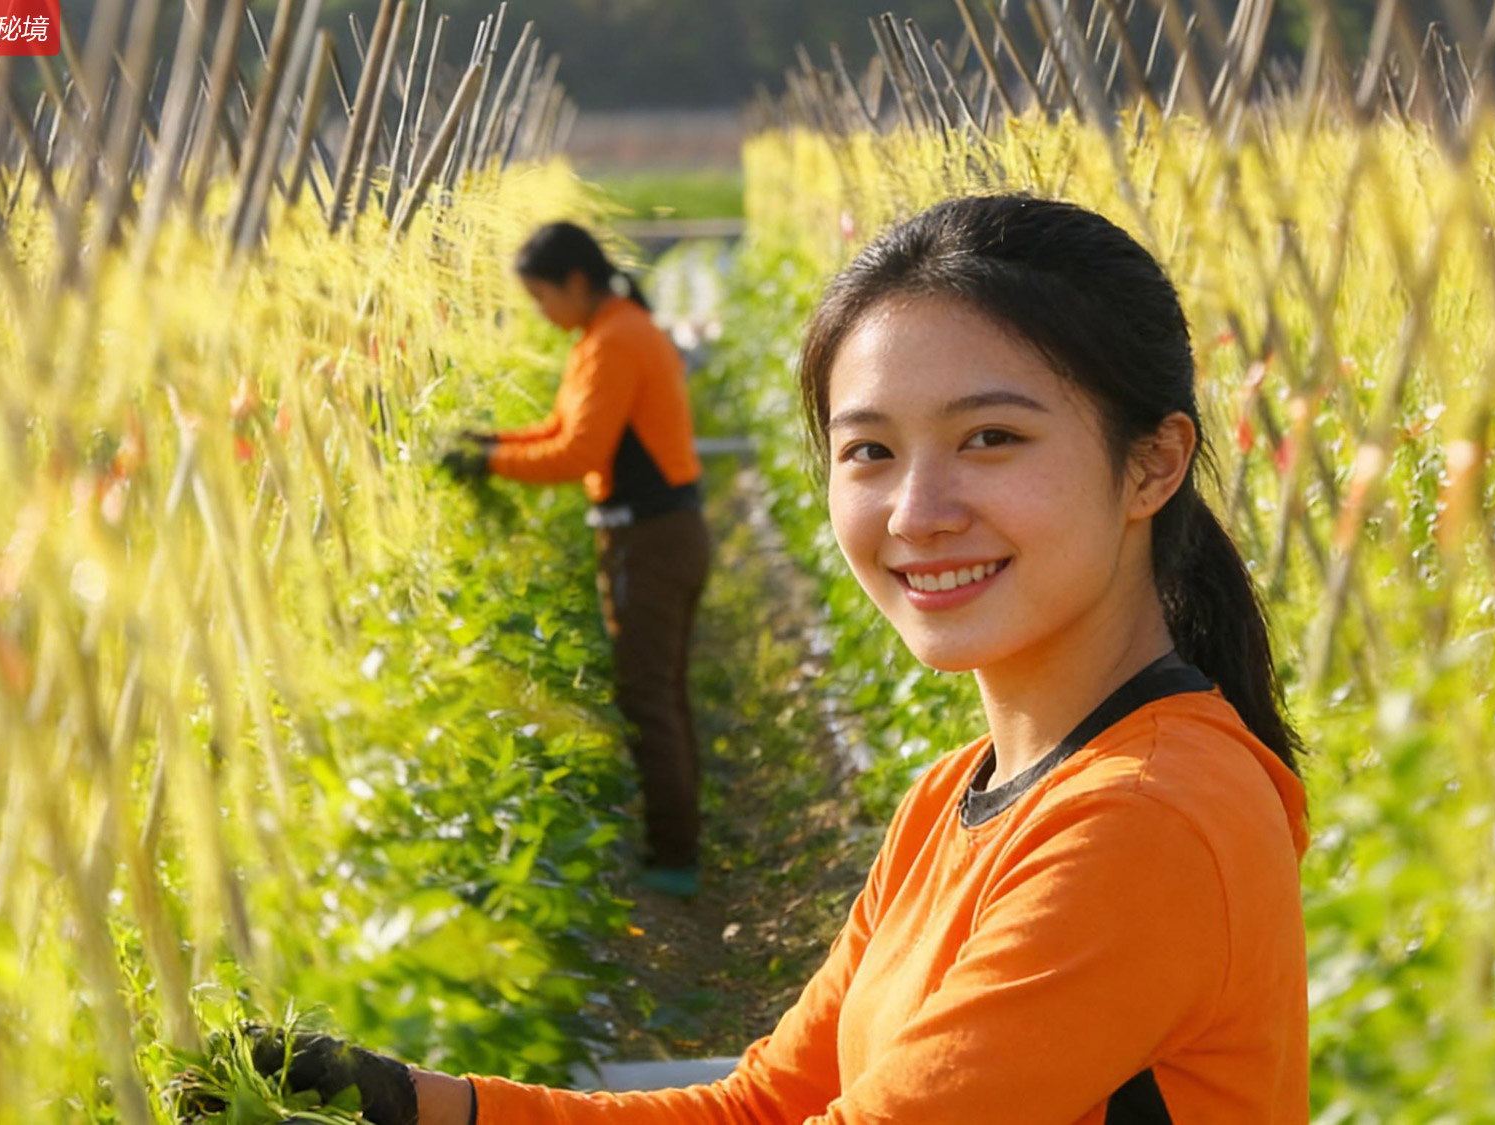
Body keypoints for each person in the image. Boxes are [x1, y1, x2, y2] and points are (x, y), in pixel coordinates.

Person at [354, 195, 1305, 1123]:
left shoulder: (1142, 821)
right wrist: (423, 1106)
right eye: (870, 451)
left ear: (1153, 464)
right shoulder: (951, 796)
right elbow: (767, 1103)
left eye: (991, 438)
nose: (917, 513)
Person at [445, 221, 712, 898]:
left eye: (541, 297)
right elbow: (561, 429)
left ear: (574, 281)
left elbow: (578, 453)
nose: (540, 312)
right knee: (661, 693)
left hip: (650, 539)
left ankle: (675, 858)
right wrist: (492, 441)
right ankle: (679, 842)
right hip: (661, 533)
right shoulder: (607, 334)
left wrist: (488, 463)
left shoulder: (616, 339)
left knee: (648, 697)